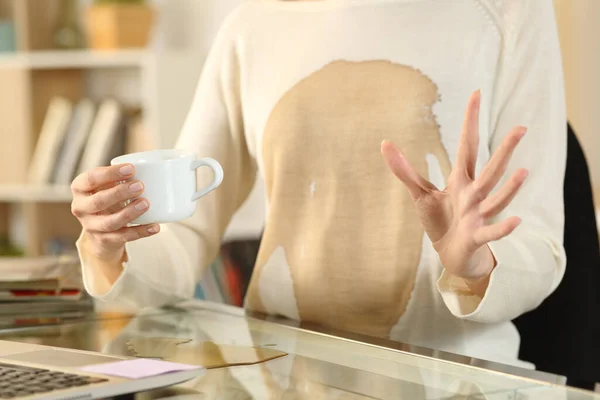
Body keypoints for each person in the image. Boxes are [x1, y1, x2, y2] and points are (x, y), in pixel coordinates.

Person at [70, 0, 567, 368]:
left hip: (454, 377)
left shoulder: (509, 13)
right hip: (282, 375)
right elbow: (185, 231)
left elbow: (541, 244)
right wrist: (111, 244)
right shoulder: (252, 25)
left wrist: (477, 265)